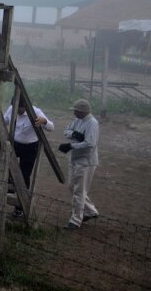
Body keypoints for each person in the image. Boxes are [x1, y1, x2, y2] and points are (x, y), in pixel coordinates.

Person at [3, 100, 54, 217]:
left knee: (24, 175)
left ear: (25, 107)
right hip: (15, 144)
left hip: (30, 147)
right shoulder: (12, 109)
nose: (17, 112)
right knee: (6, 166)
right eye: (16, 109)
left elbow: (51, 127)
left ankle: (20, 207)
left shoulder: (36, 112)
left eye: (20, 110)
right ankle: (9, 189)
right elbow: (4, 120)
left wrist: (44, 121)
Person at [58, 99, 100, 230]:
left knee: (78, 191)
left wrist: (71, 145)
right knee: (73, 187)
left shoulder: (92, 123)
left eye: (75, 110)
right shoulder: (78, 121)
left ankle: (76, 220)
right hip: (75, 159)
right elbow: (66, 130)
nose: (74, 112)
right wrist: (75, 134)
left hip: (85, 161)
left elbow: (90, 143)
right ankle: (91, 211)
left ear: (82, 111)